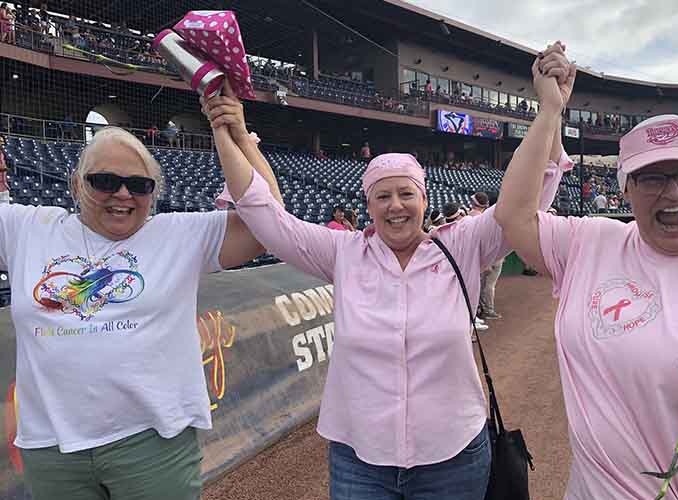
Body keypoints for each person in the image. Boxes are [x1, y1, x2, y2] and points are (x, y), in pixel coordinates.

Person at [202, 81, 570, 500]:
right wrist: (226, 134)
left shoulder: (462, 244)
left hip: (453, 454)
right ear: (369, 206)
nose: (395, 205)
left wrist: (551, 112)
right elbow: (265, 216)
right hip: (362, 459)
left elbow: (525, 204)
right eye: (383, 197)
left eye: (405, 194)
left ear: (423, 198)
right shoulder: (342, 252)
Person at [499, 41, 678, 499]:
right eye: (652, 177)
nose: (673, 192)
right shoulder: (592, 241)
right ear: (626, 190)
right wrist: (549, 112)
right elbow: (514, 215)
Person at [8, 80, 283, 500]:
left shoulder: (177, 234)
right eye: (105, 180)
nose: (122, 194)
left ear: (153, 194)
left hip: (151, 443)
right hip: (52, 447)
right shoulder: (28, 227)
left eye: (139, 185)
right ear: (77, 183)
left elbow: (269, 226)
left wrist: (241, 137)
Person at [470, 192, 502, 320]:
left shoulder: (469, 216)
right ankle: (487, 310)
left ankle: (480, 309)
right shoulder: (489, 218)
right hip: (491, 256)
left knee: (481, 285)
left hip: (481, 257)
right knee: (488, 285)